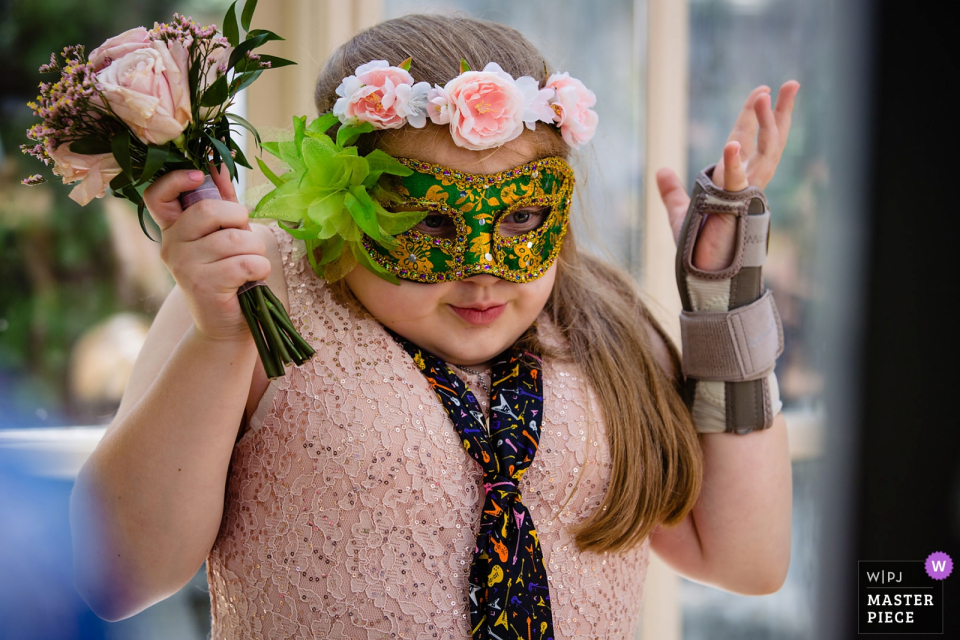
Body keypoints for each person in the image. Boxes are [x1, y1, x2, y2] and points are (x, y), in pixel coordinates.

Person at [70, 13, 800, 639]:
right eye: (427, 221)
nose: (484, 272)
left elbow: (746, 559)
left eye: (520, 218)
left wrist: (723, 305)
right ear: (341, 204)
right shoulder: (260, 298)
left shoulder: (604, 325)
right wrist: (221, 336)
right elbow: (116, 574)